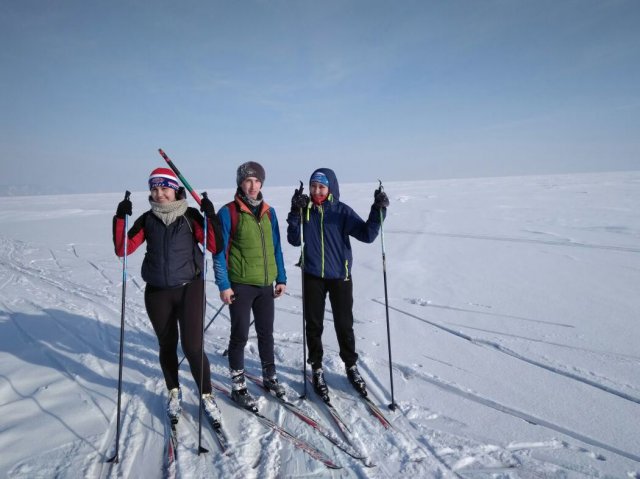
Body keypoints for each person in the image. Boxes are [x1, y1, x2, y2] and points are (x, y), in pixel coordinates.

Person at [112, 167, 223, 423]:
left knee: (193, 346)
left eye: (164, 188)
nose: (160, 194)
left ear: (175, 190)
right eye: (155, 188)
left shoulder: (191, 216)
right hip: (157, 293)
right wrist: (120, 219)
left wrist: (211, 217)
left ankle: (206, 395)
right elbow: (122, 249)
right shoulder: (147, 219)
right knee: (167, 345)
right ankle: (174, 392)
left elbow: (214, 245)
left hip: (189, 290)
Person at [286, 168, 389, 398]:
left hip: (340, 277)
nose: (316, 191)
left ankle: (351, 366)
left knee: (344, 325)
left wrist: (378, 209)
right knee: (314, 325)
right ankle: (317, 367)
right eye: (313, 186)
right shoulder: (306, 211)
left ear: (330, 188)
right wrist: (295, 212)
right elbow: (293, 239)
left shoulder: (341, 212)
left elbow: (368, 234)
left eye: (321, 187)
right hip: (312, 275)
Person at [213, 161, 287, 408]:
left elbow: (276, 247)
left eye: (257, 181)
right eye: (248, 181)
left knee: (266, 334)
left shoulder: (269, 212)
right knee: (240, 335)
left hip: (266, 285)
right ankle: (238, 386)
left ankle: (270, 376)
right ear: (240, 183)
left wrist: (282, 278)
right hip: (241, 285)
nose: (253, 186)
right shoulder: (228, 212)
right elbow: (219, 252)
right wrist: (224, 284)